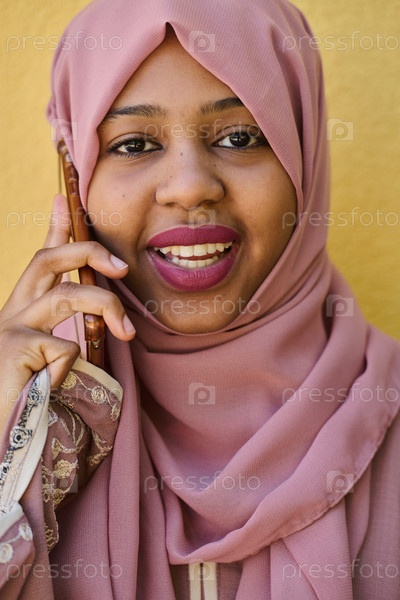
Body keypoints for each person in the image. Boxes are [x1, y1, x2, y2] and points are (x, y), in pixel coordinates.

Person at [0, 0, 399, 598]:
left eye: (240, 137)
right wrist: (9, 434)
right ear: (76, 182)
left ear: (305, 157)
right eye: (134, 145)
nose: (190, 187)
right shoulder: (33, 426)